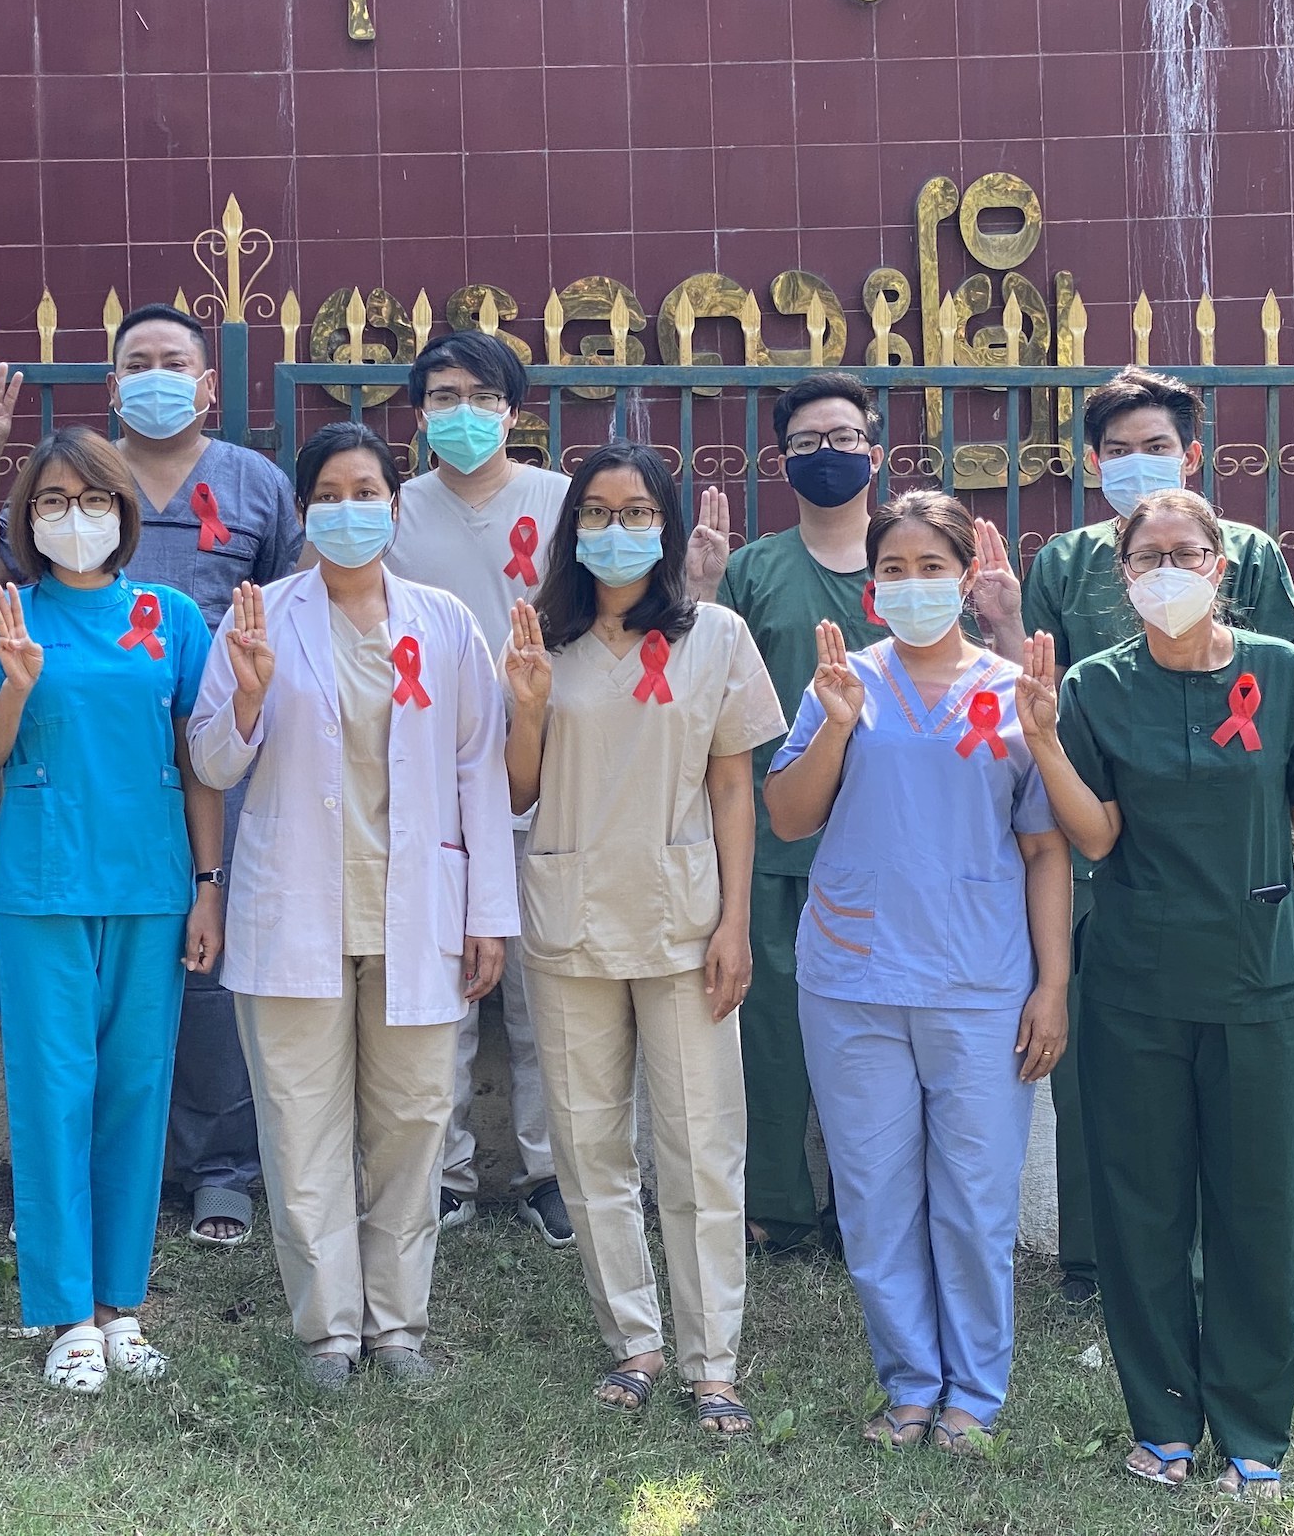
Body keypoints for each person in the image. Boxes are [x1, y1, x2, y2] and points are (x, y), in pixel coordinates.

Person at [1016, 488, 1294, 1502]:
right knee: (1141, 1210)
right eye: (1144, 554)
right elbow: (1097, 838)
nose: (1164, 568)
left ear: (1221, 566)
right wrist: (1040, 740)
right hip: (1136, 987)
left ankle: (1254, 1433)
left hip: (1259, 978)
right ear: (1121, 576)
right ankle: (1162, 1424)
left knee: (1255, 1211)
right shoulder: (1095, 686)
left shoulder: (1279, 674)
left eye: (1184, 550)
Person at [0, 304, 301, 1249]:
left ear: (208, 383)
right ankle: (70, 1266)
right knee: (65, 1059)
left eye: (172, 361)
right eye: (135, 363)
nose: (155, 376)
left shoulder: (252, 490)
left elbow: (288, 596)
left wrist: (244, 712)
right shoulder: (70, 493)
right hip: (61, 799)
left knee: (198, 993)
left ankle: (219, 1169)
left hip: (202, 749)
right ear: (111, 387)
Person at [189, 421, 517, 1388]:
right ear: (303, 510)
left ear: (394, 500)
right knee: (301, 1122)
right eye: (327, 494)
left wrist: (487, 911)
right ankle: (329, 1328)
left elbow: (479, 772)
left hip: (417, 909)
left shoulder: (445, 621)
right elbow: (211, 760)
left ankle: (398, 1323)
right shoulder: (260, 617)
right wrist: (247, 698)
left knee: (413, 1118)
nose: (347, 509)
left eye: (365, 490)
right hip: (296, 907)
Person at [762, 490, 1071, 1450]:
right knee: (876, 1192)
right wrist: (840, 726)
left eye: (932, 567)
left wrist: (1052, 984)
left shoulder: (1009, 688)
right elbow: (787, 816)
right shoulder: (839, 684)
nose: (913, 584)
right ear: (869, 588)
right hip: (852, 980)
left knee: (976, 1201)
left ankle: (973, 1397)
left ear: (967, 579)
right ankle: (908, 1385)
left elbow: (1047, 848)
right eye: (892, 569)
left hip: (979, 983)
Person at [502, 441, 784, 1437]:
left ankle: (713, 1362)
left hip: (684, 920)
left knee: (703, 1148)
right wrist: (528, 707)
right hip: (571, 914)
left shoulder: (715, 634)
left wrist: (735, 923)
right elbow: (515, 790)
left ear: (663, 527)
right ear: (570, 526)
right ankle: (634, 1340)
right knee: (588, 1147)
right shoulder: (541, 638)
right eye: (597, 511)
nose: (615, 529)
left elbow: (730, 784)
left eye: (635, 512)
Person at [1014, 367, 1294, 1305]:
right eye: (1117, 450)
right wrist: (990, 615)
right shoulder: (1063, 564)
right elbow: (1042, 696)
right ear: (1090, 463)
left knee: (1228, 1088)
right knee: (1104, 1078)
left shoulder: (1251, 554)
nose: (1137, 465)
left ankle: (1216, 1263)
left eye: (1157, 446)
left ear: (1193, 453)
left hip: (1222, 865)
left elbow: (1289, 709)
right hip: (1099, 848)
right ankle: (1098, 1263)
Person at [712, 374, 1017, 1256]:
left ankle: (874, 1213)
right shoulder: (755, 570)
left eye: (845, 438)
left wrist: (1004, 618)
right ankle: (776, 1205)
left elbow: (1007, 712)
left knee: (899, 1056)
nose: (827, 455)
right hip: (780, 850)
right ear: (781, 460)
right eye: (806, 443)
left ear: (878, 452)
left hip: (911, 860)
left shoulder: (913, 575)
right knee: (772, 1039)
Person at [0, 427, 222, 1392]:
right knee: (53, 1094)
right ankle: (65, 1311)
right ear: (29, 516)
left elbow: (201, 760)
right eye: (55, 502)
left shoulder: (173, 616)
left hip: (150, 886)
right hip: (42, 888)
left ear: (122, 510)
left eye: (93, 499)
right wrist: (17, 688)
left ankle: (123, 1307)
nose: (76, 517)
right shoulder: (4, 617)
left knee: (135, 1098)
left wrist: (207, 887)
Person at [382, 331, 571, 1246]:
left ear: (512, 408)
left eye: (480, 395)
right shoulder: (391, 509)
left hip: (546, 775)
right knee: (441, 990)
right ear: (418, 415)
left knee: (545, 993)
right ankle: (446, 1171)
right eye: (443, 396)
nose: (462, 413)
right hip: (429, 784)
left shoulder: (563, 502)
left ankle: (550, 1170)